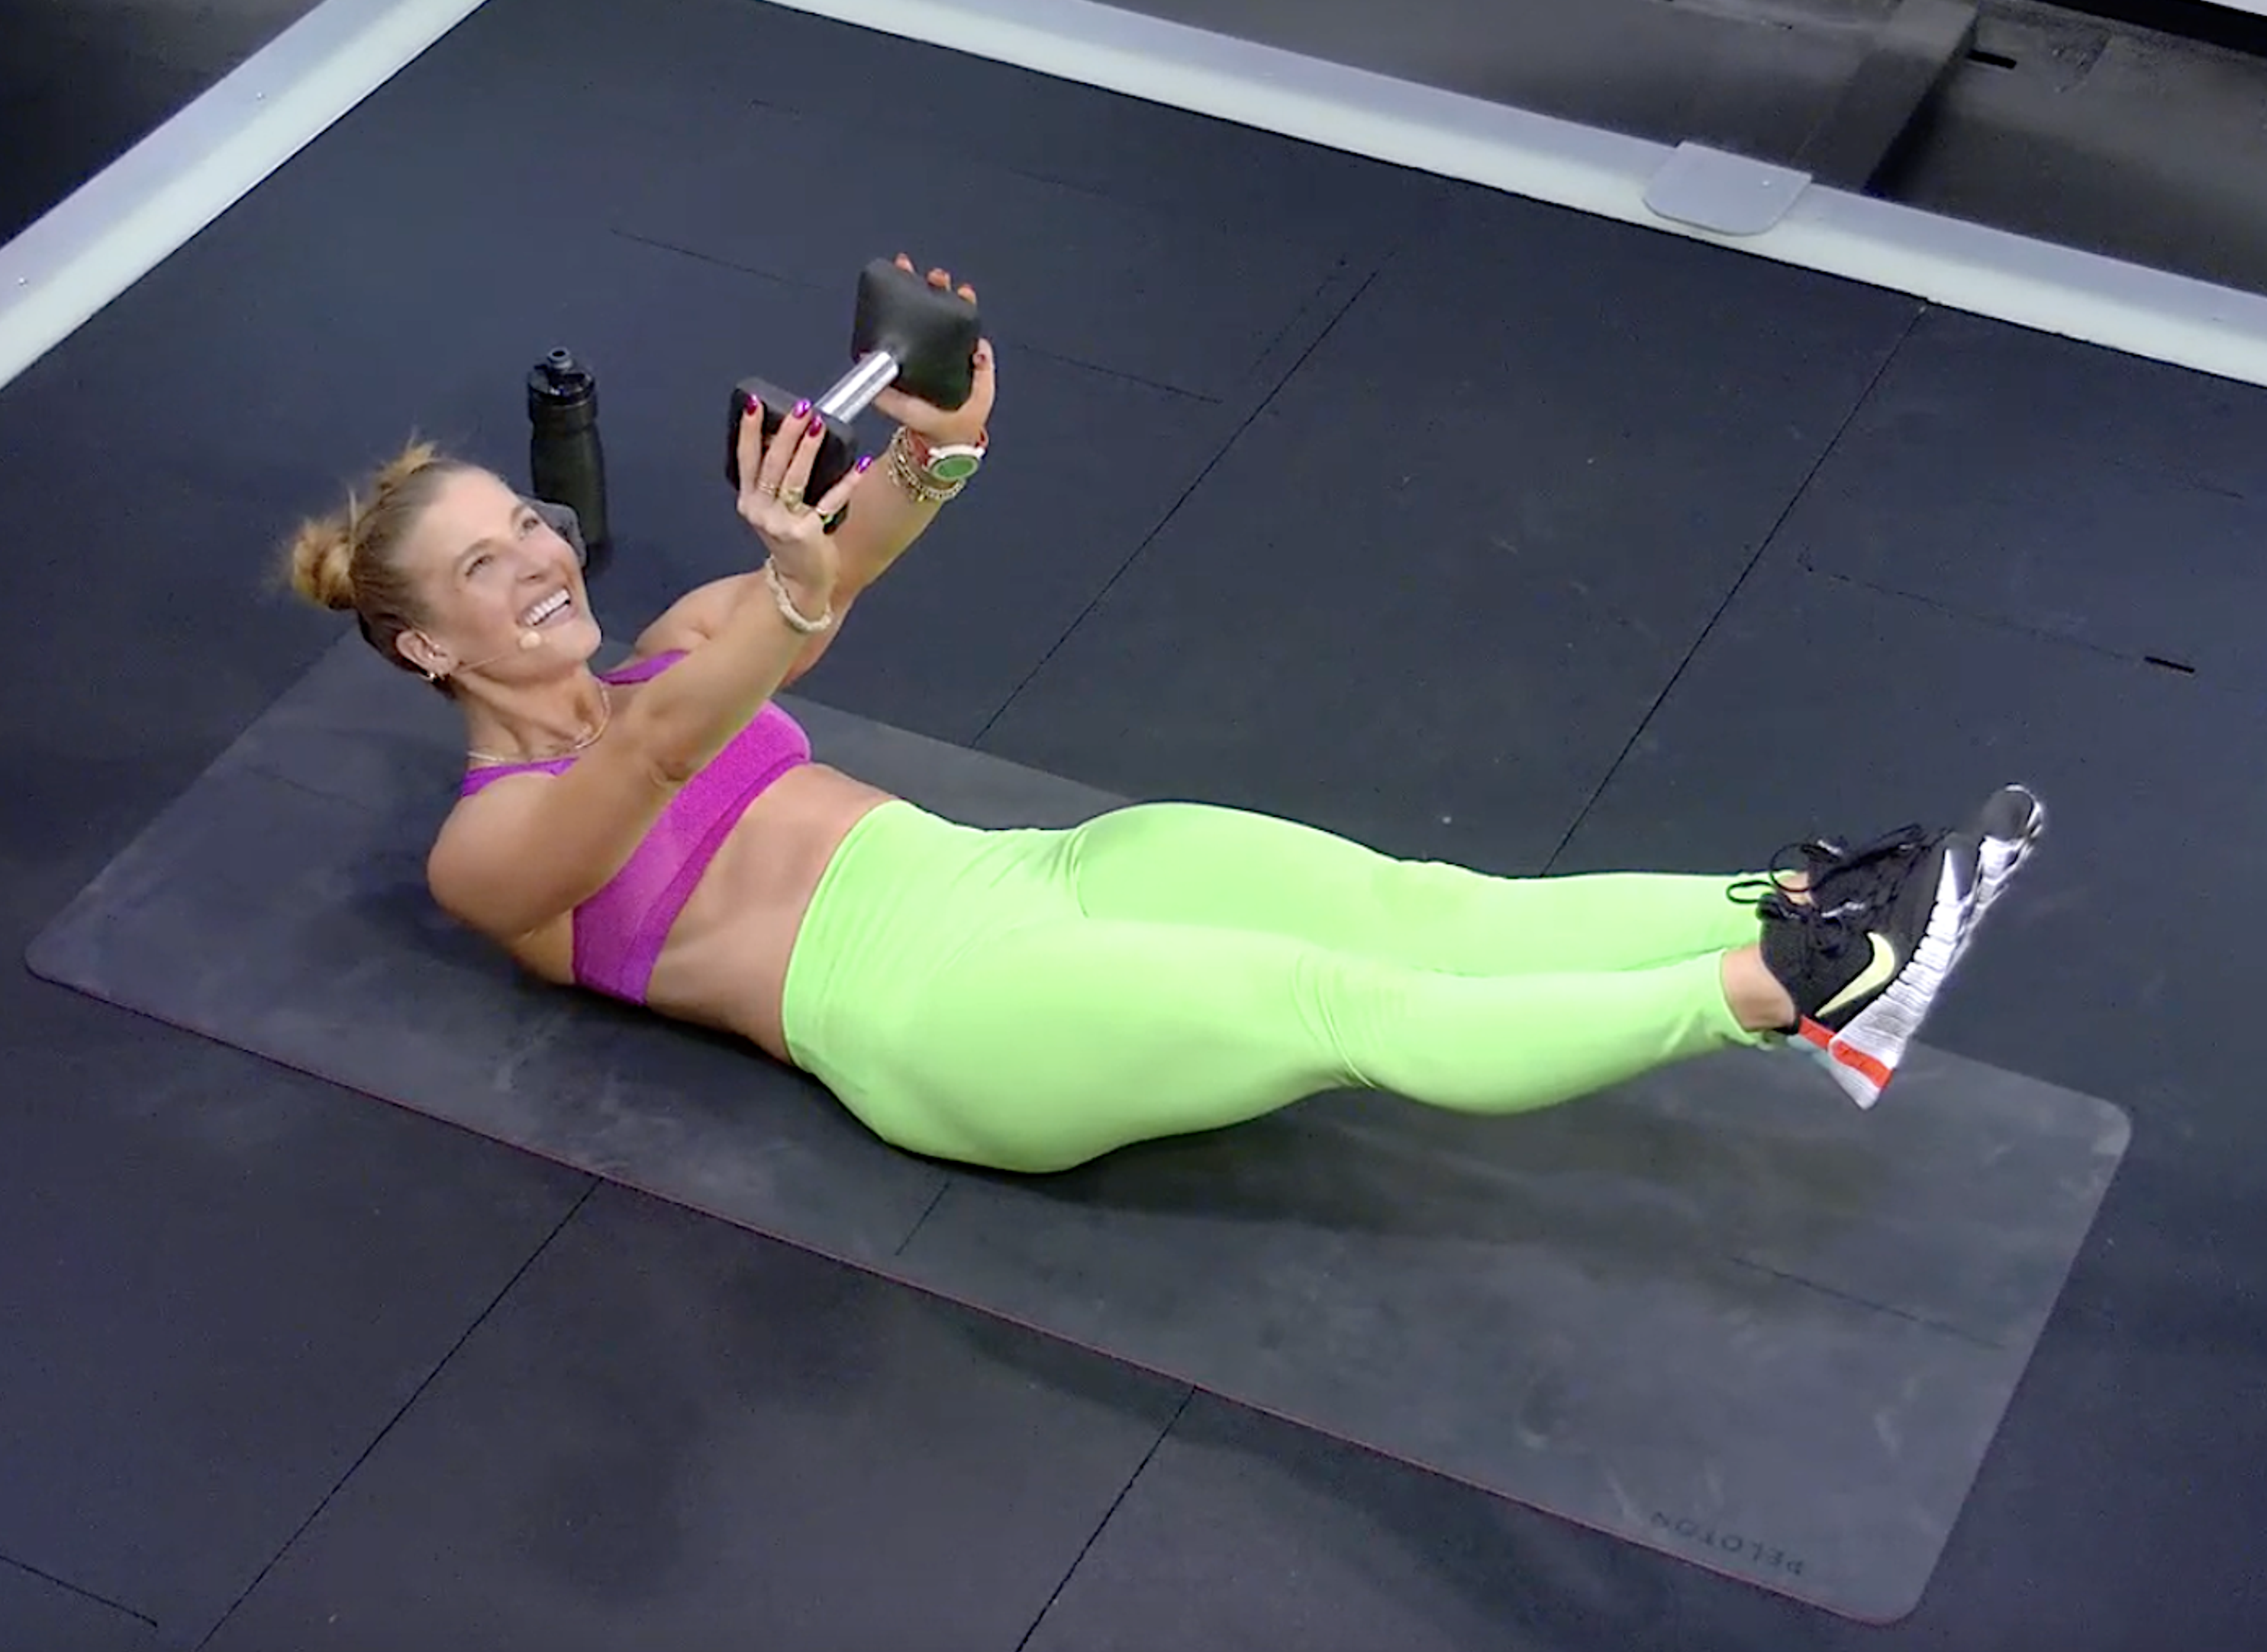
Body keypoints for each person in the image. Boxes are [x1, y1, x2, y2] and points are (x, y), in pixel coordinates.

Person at [283, 259, 2044, 1175]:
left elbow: (887, 524)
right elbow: (660, 757)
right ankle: (1783, 999)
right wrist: (800, 593)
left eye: (523, 522)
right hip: (932, 1011)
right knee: (1341, 1001)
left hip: (1027, 874)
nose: (531, 551)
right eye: (481, 566)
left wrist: (946, 414)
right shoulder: (485, 853)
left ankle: (1807, 915)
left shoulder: (673, 634)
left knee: (1427, 910)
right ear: (422, 648)